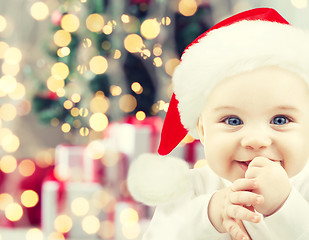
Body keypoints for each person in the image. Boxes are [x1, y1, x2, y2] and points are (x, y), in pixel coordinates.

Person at [127, 8, 309, 240]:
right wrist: (210, 214)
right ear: (203, 130)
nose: (255, 139)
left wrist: (284, 206)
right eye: (233, 121)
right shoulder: (191, 189)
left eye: (280, 120)